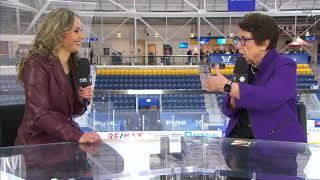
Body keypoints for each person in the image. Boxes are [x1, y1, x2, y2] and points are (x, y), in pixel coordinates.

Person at [205, 13, 306, 142]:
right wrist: (236, 96)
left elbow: (269, 98)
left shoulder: (284, 65)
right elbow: (228, 110)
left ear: (264, 44)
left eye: (244, 40)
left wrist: (228, 87)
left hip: (276, 147)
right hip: (238, 142)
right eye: (238, 40)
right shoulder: (242, 65)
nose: (239, 45)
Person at [15, 8, 101, 145]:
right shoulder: (36, 65)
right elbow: (40, 114)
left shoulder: (74, 65)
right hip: (37, 146)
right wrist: (77, 136)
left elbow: (73, 112)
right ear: (59, 33)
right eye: (76, 31)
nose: (82, 36)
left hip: (61, 141)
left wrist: (81, 98)